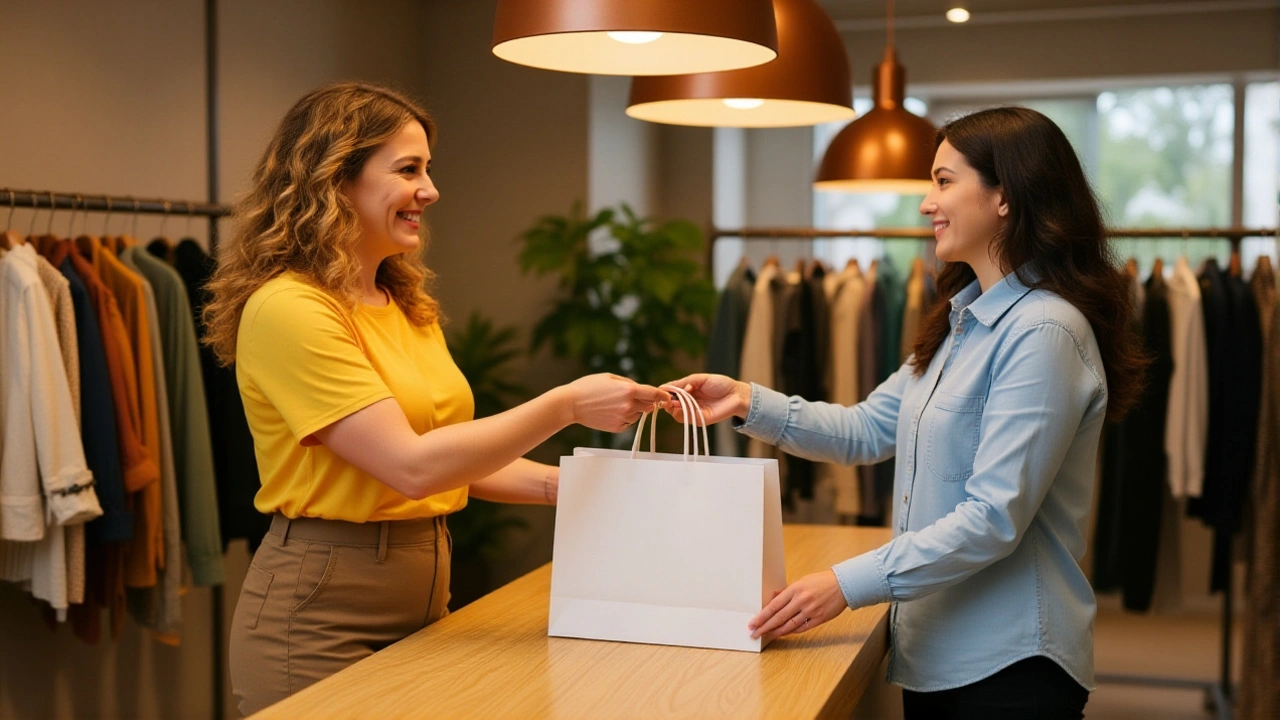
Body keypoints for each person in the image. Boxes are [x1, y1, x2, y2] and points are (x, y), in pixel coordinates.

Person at [203, 82, 669, 715]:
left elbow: (454, 458)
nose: (430, 189)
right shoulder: (290, 309)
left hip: (426, 599)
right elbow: (411, 464)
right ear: (337, 179)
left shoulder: (405, 304)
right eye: (409, 170)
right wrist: (564, 405)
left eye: (428, 169)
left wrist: (577, 486)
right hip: (317, 616)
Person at [667, 107, 1146, 719]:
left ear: (1005, 196)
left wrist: (844, 584)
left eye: (944, 181)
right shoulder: (960, 322)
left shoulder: (1044, 330)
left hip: (1010, 666)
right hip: (937, 652)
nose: (926, 203)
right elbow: (866, 429)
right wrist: (746, 400)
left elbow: (994, 517)